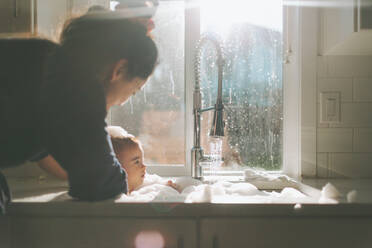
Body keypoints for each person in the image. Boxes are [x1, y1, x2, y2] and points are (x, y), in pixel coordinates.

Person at [0, 11, 158, 213]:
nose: (122, 102)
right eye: (133, 90)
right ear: (119, 70)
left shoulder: (46, 56)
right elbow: (102, 183)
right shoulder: (78, 88)